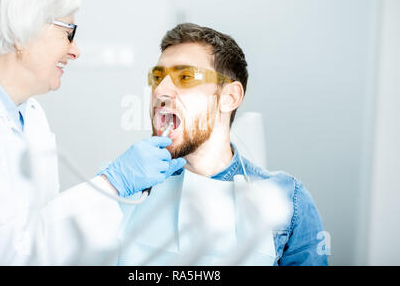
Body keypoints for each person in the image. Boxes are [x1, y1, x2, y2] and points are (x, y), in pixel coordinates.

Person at [0, 0, 185, 265]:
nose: (75, 51)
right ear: (20, 32)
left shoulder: (30, 113)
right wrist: (112, 184)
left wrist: (111, 192)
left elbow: (48, 230)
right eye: (68, 32)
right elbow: (14, 251)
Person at [117, 23, 328, 266]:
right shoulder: (127, 186)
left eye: (185, 77)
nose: (160, 91)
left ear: (230, 97)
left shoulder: (288, 199)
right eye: (157, 77)